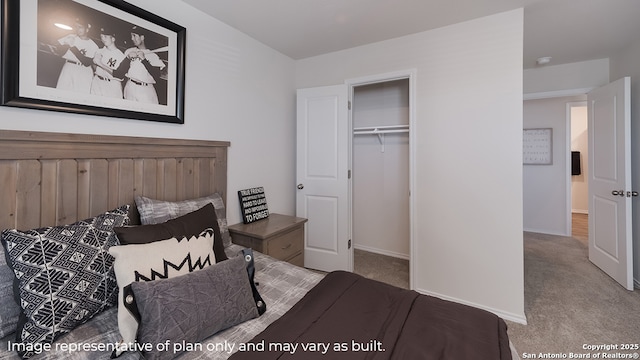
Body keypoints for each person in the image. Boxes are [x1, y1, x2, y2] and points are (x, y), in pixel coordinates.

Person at [115, 25, 165, 104]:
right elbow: (119, 73)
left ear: (142, 37)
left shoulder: (152, 55)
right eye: (131, 36)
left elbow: (156, 76)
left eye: (134, 36)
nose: (132, 38)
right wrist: (128, 58)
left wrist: (144, 60)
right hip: (130, 87)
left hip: (145, 90)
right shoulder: (130, 51)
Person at [55, 17, 99, 93]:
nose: (78, 29)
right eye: (76, 27)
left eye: (80, 27)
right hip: (68, 66)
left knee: (81, 94)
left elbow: (87, 62)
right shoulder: (71, 36)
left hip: (83, 71)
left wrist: (72, 47)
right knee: (62, 92)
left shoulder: (93, 45)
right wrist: (66, 44)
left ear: (87, 29)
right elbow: (58, 51)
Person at [91, 26, 125, 98]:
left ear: (113, 38)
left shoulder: (121, 56)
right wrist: (95, 63)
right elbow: (94, 67)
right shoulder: (99, 51)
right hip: (97, 81)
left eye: (105, 36)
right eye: (101, 36)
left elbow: (119, 76)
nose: (103, 39)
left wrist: (100, 63)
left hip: (112, 85)